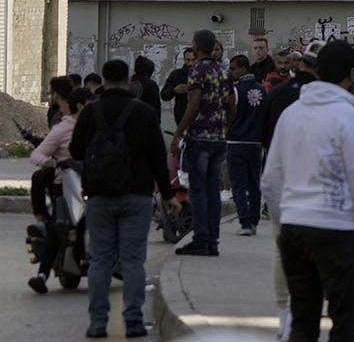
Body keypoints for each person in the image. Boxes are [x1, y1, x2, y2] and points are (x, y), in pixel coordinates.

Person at [262, 40, 354, 342]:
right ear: (352, 73)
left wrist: (285, 220)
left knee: (302, 322)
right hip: (337, 229)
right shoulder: (351, 118)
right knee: (345, 323)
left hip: (294, 228)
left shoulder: (291, 114)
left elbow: (270, 181)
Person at [71, 59, 175, 339]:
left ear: (103, 80)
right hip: (137, 195)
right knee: (132, 260)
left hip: (99, 196)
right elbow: (158, 158)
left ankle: (97, 323)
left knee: (100, 260)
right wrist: (167, 195)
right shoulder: (143, 112)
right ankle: (133, 321)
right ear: (129, 80)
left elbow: (76, 151)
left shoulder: (91, 112)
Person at [171, 29, 227, 257]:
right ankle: (212, 241)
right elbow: (232, 104)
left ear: (196, 46)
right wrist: (225, 127)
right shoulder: (223, 71)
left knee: (198, 190)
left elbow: (193, 105)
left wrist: (178, 133)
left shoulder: (197, 70)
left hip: (200, 138)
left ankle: (201, 239)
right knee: (213, 189)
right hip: (219, 138)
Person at [27, 85, 86, 294]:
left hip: (95, 183)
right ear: (80, 106)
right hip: (67, 186)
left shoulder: (98, 126)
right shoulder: (62, 129)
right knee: (57, 227)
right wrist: (53, 163)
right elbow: (37, 154)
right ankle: (42, 275)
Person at [225, 55, 267, 237]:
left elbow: (229, 114)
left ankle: (245, 222)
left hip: (236, 141)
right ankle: (254, 220)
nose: (231, 72)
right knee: (254, 183)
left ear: (243, 68)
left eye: (233, 68)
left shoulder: (235, 90)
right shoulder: (263, 90)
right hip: (256, 143)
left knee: (239, 184)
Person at [160, 45, 193, 129]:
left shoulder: (202, 75)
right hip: (182, 117)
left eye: (193, 60)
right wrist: (174, 90)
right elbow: (164, 95)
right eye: (188, 60)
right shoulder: (176, 75)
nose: (191, 63)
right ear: (184, 60)